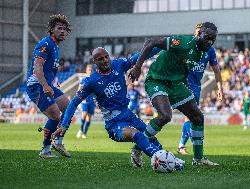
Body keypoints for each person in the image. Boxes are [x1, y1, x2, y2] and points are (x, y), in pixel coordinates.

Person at [52, 47, 184, 168]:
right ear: (95, 62)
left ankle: (156, 156)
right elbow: (74, 102)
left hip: (128, 114)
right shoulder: (91, 82)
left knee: (150, 136)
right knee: (135, 134)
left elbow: (140, 56)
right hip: (114, 123)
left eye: (106, 57)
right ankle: (163, 161)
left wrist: (162, 45)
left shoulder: (118, 64)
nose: (104, 60)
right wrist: (64, 125)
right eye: (100, 59)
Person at [128, 22, 219, 166]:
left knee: (197, 117)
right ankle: (137, 149)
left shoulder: (201, 52)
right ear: (198, 34)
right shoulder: (182, 42)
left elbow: (183, 69)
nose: (209, 42)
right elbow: (151, 42)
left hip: (176, 84)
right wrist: (137, 66)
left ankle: (198, 159)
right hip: (157, 80)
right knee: (165, 116)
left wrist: (187, 89)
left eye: (212, 40)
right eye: (207, 37)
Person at [26, 14, 72, 158]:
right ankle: (45, 150)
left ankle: (58, 141)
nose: (63, 31)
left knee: (69, 108)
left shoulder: (55, 47)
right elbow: (37, 67)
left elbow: (50, 70)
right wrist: (46, 86)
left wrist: (54, 82)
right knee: (55, 115)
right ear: (51, 30)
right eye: (59, 28)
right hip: (37, 85)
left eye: (65, 29)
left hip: (47, 84)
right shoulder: (45, 44)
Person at [177, 23, 224, 155]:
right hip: (184, 85)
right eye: (197, 32)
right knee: (192, 116)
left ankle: (181, 146)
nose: (199, 35)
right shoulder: (189, 45)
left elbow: (216, 70)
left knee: (189, 117)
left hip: (196, 87)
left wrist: (220, 88)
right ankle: (193, 147)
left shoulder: (210, 50)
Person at [76, 64, 96, 139]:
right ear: (86, 71)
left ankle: (84, 133)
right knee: (84, 115)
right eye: (89, 70)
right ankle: (81, 129)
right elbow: (80, 89)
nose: (90, 71)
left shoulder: (94, 80)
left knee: (89, 118)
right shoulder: (83, 79)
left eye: (91, 70)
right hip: (85, 100)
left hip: (92, 101)